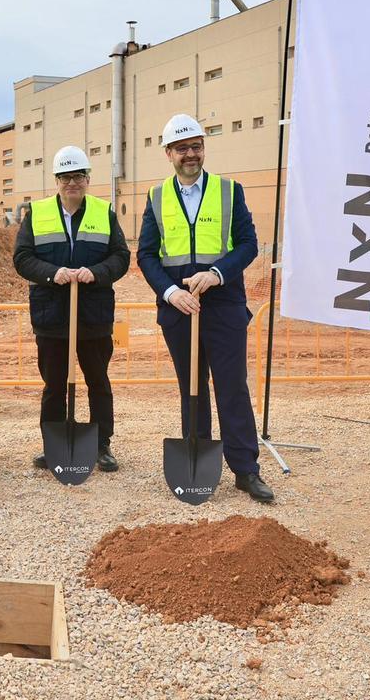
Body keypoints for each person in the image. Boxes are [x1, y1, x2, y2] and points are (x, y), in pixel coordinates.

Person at [137, 113, 273, 502]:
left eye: (196, 146)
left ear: (204, 148)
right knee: (191, 387)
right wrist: (170, 293)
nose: (190, 154)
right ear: (168, 153)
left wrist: (217, 274)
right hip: (179, 309)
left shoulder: (229, 191)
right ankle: (196, 462)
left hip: (224, 305)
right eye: (182, 148)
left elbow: (248, 244)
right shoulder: (156, 197)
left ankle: (245, 470)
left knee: (232, 387)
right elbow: (146, 255)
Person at [14, 146, 129, 472]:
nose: (72, 183)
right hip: (52, 315)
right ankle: (54, 443)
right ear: (57, 180)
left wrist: (97, 272)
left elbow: (121, 257)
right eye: (65, 177)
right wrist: (53, 273)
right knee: (54, 384)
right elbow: (22, 258)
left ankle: (101, 444)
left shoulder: (104, 213)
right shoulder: (37, 214)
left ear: (87, 179)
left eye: (78, 176)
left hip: (93, 314)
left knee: (98, 381)